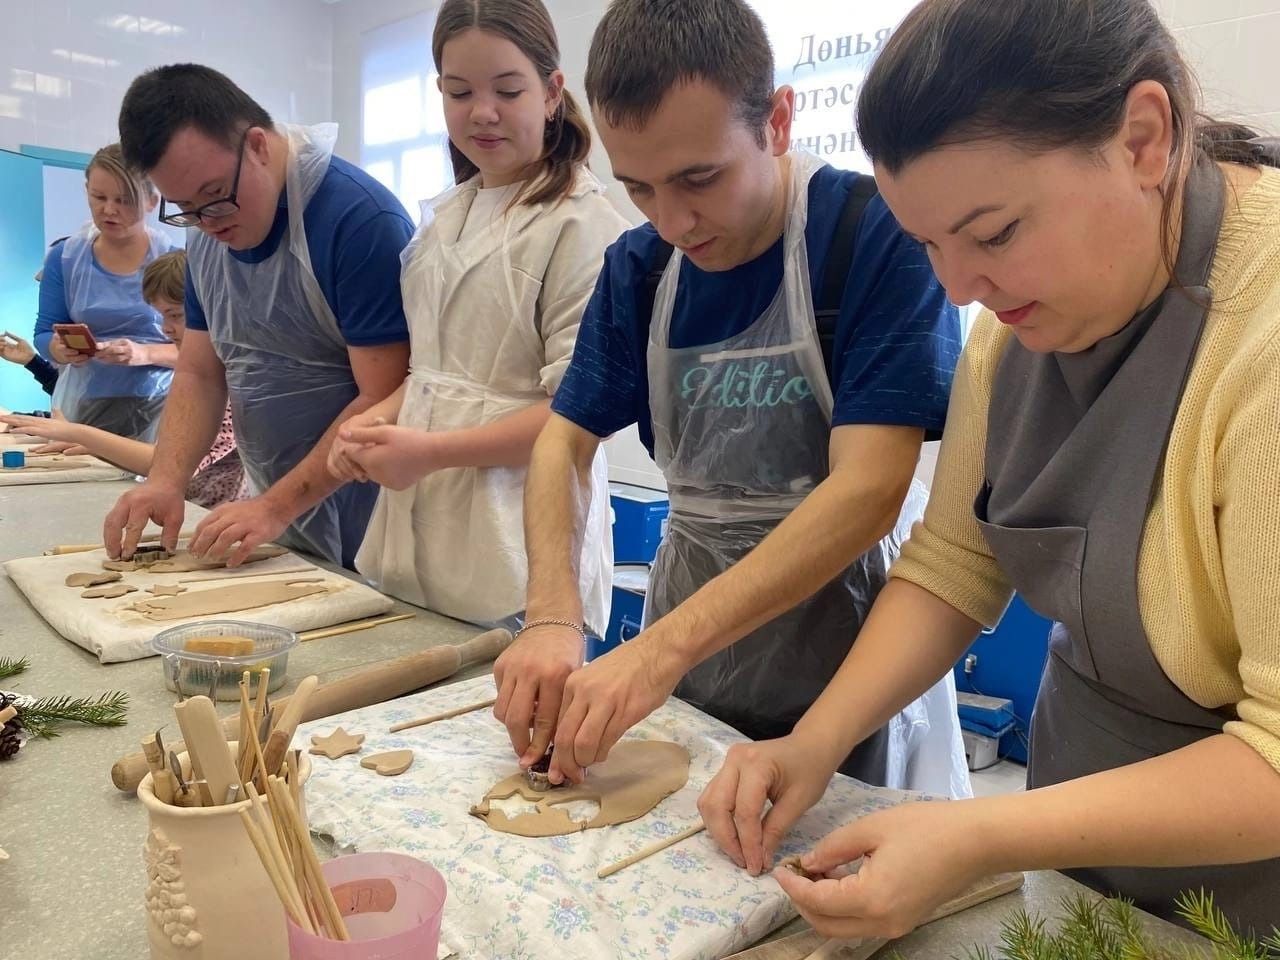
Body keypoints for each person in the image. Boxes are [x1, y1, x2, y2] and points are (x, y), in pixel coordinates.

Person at [699, 0, 1280, 937]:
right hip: (1079, 846)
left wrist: (974, 835)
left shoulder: (1264, 344)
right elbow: (954, 564)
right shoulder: (1006, 339)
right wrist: (816, 740)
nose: (959, 287)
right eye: (930, 245)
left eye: (995, 233)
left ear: (1143, 137)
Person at [493, 0, 970, 799]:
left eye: (699, 179)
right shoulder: (639, 270)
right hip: (691, 649)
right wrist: (551, 615)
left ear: (778, 120)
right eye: (640, 187)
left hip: (847, 659)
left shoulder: (871, 237)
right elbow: (561, 441)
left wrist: (659, 651)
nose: (673, 220)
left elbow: (869, 490)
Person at [328, 0, 625, 631]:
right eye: (459, 92)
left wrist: (429, 452)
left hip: (518, 548)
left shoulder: (583, 226)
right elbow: (436, 373)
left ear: (551, 92)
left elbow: (577, 413)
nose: (481, 112)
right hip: (419, 538)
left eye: (507, 90)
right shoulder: (446, 219)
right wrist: (373, 425)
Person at [102, 64, 414, 569]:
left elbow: (381, 396)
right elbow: (202, 371)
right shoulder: (204, 232)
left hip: (374, 508)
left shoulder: (358, 221)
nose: (207, 223)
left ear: (258, 147)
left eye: (214, 197)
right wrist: (165, 479)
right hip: (276, 505)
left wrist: (276, 505)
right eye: (185, 208)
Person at [3, 251, 246, 508]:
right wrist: (93, 444)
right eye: (162, 316)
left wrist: (80, 434)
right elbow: (165, 453)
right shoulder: (196, 373)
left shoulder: (226, 381)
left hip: (214, 516)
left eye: (174, 315)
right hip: (190, 508)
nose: (165, 328)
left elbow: (169, 463)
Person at [33, 145, 178, 440]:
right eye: (98, 197)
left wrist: (144, 353)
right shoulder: (65, 258)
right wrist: (58, 349)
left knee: (152, 479)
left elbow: (204, 351)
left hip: (162, 402)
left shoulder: (173, 262)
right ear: (87, 190)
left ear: (152, 200)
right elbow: (44, 332)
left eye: (124, 200)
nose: (109, 209)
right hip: (85, 401)